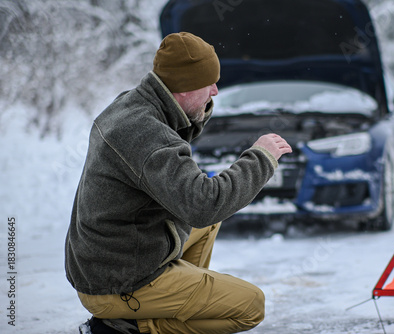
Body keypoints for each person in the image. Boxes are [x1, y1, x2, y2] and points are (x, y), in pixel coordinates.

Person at [65, 32, 292, 334]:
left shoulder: (134, 105)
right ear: (182, 87)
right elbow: (206, 204)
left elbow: (176, 147)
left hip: (111, 260)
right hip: (118, 282)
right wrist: (261, 157)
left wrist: (199, 107)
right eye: (208, 82)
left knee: (208, 223)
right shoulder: (144, 133)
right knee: (251, 305)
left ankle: (176, 299)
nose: (215, 90)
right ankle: (127, 327)